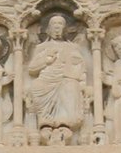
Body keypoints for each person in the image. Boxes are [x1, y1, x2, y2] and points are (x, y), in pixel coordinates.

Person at [27, 14, 88, 145]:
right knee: (37, 86)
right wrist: (46, 61)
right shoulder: (41, 47)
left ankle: (64, 125)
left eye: (60, 25)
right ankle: (46, 124)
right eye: (54, 25)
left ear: (65, 29)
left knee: (70, 86)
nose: (57, 28)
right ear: (48, 29)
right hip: (47, 78)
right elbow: (32, 69)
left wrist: (81, 80)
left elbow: (81, 67)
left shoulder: (73, 47)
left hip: (67, 78)